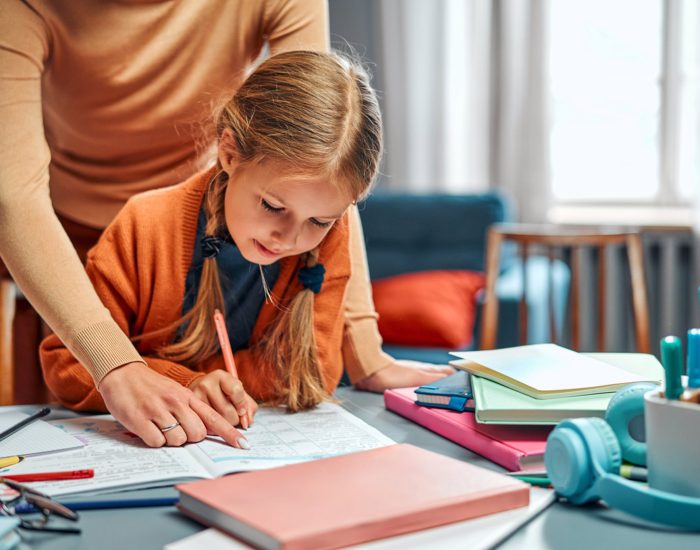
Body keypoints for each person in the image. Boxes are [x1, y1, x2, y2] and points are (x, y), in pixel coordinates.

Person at [1, 1, 451, 448]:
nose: (291, 237)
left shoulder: (314, 229)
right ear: (230, 152)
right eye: (275, 207)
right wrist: (161, 376)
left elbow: (324, 146)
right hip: (76, 227)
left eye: (319, 220)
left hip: (221, 195)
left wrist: (366, 353)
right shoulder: (145, 228)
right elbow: (13, 198)